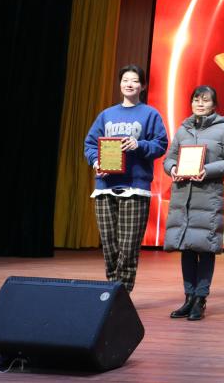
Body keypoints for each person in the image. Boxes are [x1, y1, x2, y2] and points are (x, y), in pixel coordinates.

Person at [83, 64, 169, 293]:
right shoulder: (106, 115)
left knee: (128, 247)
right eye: (125, 80)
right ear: (120, 84)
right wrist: (96, 162)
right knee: (109, 245)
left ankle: (122, 292)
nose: (129, 84)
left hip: (135, 188)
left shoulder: (150, 114)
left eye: (134, 81)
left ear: (143, 86)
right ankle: (113, 291)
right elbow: (90, 144)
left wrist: (138, 144)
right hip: (105, 187)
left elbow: (161, 144)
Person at [162, 85, 224, 321]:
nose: (200, 104)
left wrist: (206, 170)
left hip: (207, 195)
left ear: (214, 105)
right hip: (183, 197)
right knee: (186, 247)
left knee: (205, 248)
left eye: (205, 100)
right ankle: (188, 298)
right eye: (196, 99)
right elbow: (169, 158)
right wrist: (173, 168)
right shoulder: (183, 129)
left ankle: (200, 298)